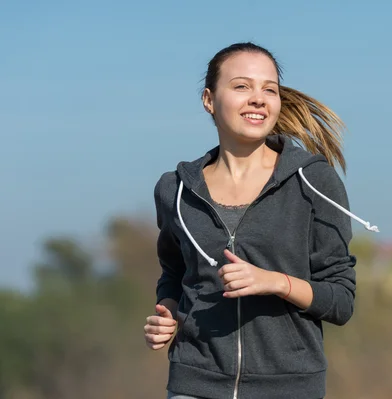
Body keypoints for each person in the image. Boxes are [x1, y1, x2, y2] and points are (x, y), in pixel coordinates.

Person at [143, 42, 379, 399]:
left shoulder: (314, 182)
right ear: (209, 99)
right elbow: (175, 274)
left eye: (269, 89)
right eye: (241, 86)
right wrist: (168, 314)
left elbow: (341, 301)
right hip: (195, 385)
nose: (258, 98)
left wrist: (274, 281)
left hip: (288, 387)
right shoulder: (175, 190)